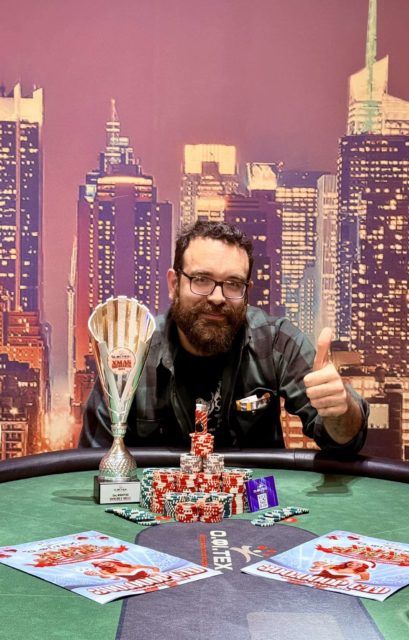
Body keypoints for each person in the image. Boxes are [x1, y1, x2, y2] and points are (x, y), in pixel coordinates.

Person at [79, 220, 368, 453]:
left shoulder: (276, 342)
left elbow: (346, 441)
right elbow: (91, 464)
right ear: (174, 284)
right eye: (201, 280)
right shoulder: (131, 353)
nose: (217, 297)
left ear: (247, 291)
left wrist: (340, 410)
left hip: (256, 504)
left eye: (232, 283)